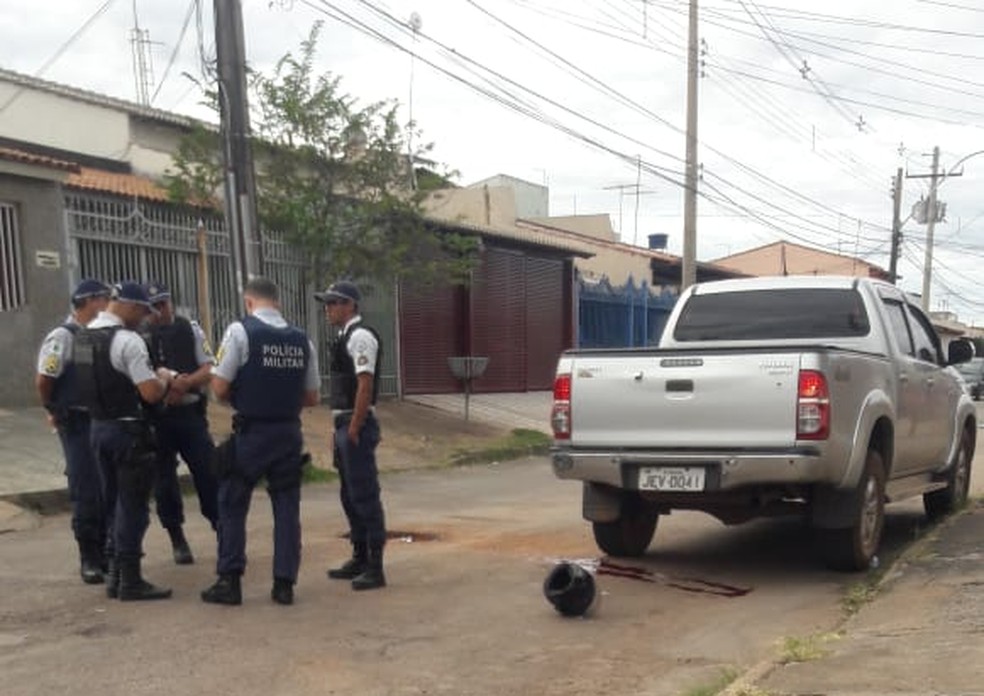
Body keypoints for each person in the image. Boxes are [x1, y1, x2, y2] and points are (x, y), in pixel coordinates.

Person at [201, 277, 320, 606]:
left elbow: (220, 388)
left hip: (253, 433)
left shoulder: (240, 332)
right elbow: (311, 396)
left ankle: (230, 580)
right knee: (286, 508)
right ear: (277, 302)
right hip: (288, 433)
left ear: (249, 302)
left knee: (232, 501)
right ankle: (284, 584)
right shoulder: (302, 340)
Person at [75, 281, 177, 601]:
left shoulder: (82, 335)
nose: (146, 318)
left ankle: (115, 574)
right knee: (133, 507)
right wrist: (163, 380)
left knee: (112, 502)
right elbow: (148, 392)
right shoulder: (127, 341)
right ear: (131, 307)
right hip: (128, 432)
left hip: (98, 428)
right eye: (144, 311)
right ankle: (130, 579)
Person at [35, 279, 112, 584]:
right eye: (103, 299)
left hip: (99, 420)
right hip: (77, 423)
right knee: (85, 490)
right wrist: (53, 410)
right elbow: (44, 380)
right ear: (88, 301)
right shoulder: (62, 337)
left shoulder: (95, 335)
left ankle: (106, 551)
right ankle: (89, 557)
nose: (107, 304)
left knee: (106, 487)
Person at [316, 280, 387, 591]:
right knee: (348, 494)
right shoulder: (344, 336)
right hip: (344, 423)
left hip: (355, 424)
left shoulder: (360, 337)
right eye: (327, 303)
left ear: (351, 306)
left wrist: (355, 427)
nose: (328, 309)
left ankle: (375, 566)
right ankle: (359, 556)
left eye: (334, 303)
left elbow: (365, 385)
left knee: (364, 494)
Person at [143, 281, 219, 564]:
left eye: (163, 304)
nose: (159, 311)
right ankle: (176, 536)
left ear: (171, 303)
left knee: (208, 471)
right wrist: (167, 387)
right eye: (153, 306)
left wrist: (185, 383)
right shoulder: (140, 335)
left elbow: (210, 367)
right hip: (159, 417)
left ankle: (220, 525)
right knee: (163, 480)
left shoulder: (191, 329)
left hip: (190, 414)